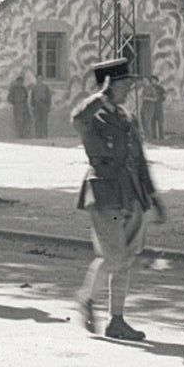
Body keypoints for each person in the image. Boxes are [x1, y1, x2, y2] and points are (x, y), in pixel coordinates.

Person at [72, 56, 164, 341]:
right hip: (104, 195)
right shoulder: (94, 116)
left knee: (125, 260)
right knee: (113, 257)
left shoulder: (127, 117)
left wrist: (153, 197)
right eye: (124, 84)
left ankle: (117, 320)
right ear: (110, 85)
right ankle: (87, 299)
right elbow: (77, 118)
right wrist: (101, 96)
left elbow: (139, 161)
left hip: (131, 194)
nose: (129, 90)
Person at [7, 71, 31, 139]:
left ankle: (24, 135)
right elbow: (9, 98)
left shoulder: (24, 89)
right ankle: (18, 135)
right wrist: (15, 103)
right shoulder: (13, 89)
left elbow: (26, 97)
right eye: (19, 81)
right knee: (18, 121)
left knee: (25, 121)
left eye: (21, 81)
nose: (20, 83)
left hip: (24, 107)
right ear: (17, 82)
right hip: (17, 107)